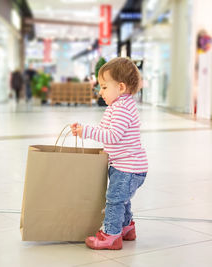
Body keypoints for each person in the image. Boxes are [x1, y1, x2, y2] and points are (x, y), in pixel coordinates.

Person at [71, 57, 148, 250]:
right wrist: (86, 129)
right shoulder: (119, 106)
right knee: (122, 199)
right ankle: (127, 227)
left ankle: (111, 235)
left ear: (121, 87)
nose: (100, 91)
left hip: (127, 168)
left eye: (104, 87)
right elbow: (107, 129)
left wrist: (86, 131)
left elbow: (113, 135)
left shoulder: (121, 108)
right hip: (124, 165)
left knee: (114, 200)